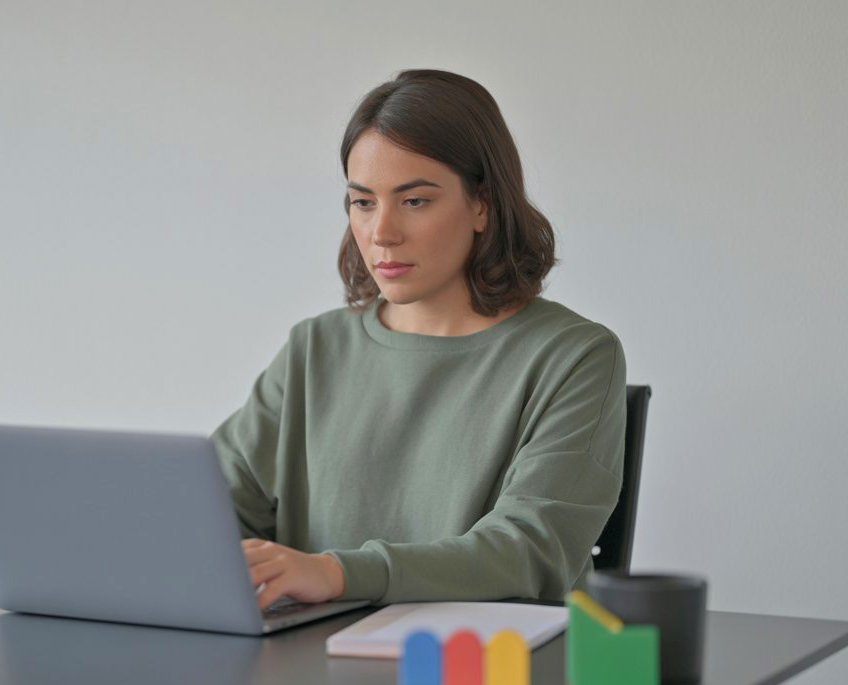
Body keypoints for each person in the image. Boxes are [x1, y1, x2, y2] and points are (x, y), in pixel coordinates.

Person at [210, 69, 628, 611]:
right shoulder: (313, 349)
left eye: (414, 201)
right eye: (363, 202)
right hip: (310, 666)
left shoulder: (574, 356)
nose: (381, 232)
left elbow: (531, 549)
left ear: (483, 205)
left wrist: (337, 573)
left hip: (486, 673)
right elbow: (213, 507)